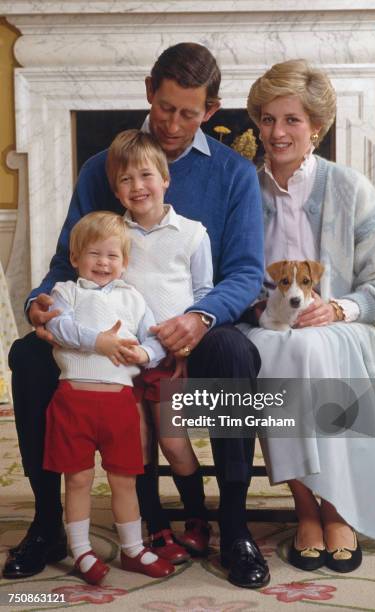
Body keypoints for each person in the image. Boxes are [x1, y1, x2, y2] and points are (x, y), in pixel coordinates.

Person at [5, 43, 268, 588]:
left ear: (210, 111)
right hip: (114, 325)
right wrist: (40, 300)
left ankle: (234, 524)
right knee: (27, 355)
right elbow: (67, 257)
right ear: (149, 90)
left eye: (188, 113)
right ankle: (50, 522)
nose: (172, 123)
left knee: (235, 351)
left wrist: (200, 317)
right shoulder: (105, 166)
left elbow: (244, 274)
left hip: (199, 323)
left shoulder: (234, 174)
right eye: (165, 106)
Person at [239, 59, 375, 573]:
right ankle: (307, 504)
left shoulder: (350, 188)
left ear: (317, 126)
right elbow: (227, 274)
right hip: (269, 328)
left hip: (346, 330)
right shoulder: (243, 189)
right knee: (284, 346)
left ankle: (336, 508)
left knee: (309, 346)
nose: (277, 132)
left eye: (292, 120)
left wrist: (338, 306)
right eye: (268, 119)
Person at [43, 211, 174, 583]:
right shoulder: (64, 293)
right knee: (79, 480)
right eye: (93, 254)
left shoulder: (133, 298)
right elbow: (59, 325)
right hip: (74, 402)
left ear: (125, 262)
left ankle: (133, 549)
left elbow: (154, 339)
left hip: (119, 405)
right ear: (75, 259)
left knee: (124, 479)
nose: (103, 262)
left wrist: (144, 355)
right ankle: (81, 551)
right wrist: (98, 342)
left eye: (112, 256)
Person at [106, 128, 213, 564]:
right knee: (140, 443)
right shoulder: (114, 236)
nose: (137, 187)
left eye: (146, 176)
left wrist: (188, 343)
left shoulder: (191, 234)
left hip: (171, 357)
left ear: (165, 179)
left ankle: (197, 518)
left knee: (173, 441)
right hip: (126, 360)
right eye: (126, 180)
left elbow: (206, 293)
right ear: (116, 189)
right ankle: (156, 525)